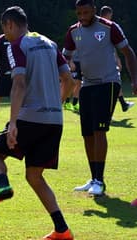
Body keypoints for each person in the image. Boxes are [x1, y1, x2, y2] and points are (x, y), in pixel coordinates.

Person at [0, 6, 75, 240]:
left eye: (4, 29)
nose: (5, 35)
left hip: (29, 117)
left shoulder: (16, 45)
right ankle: (62, 230)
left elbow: (19, 84)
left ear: (9, 25)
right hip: (54, 120)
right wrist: (57, 104)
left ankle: (3, 187)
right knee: (34, 175)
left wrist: (12, 124)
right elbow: (69, 80)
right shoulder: (50, 44)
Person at [63, 0, 137, 196]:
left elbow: (128, 53)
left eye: (86, 12)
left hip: (108, 84)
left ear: (94, 10)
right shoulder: (73, 31)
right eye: (79, 13)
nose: (82, 17)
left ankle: (100, 181)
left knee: (99, 131)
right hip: (87, 85)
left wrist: (135, 80)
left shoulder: (109, 28)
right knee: (87, 134)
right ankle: (94, 177)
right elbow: (64, 58)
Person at [100, 5, 135, 112]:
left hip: (100, 62)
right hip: (105, 62)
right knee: (111, 83)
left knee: (115, 82)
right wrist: (117, 59)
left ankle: (123, 103)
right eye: (110, 15)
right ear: (108, 14)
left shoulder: (96, 26)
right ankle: (117, 105)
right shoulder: (108, 27)